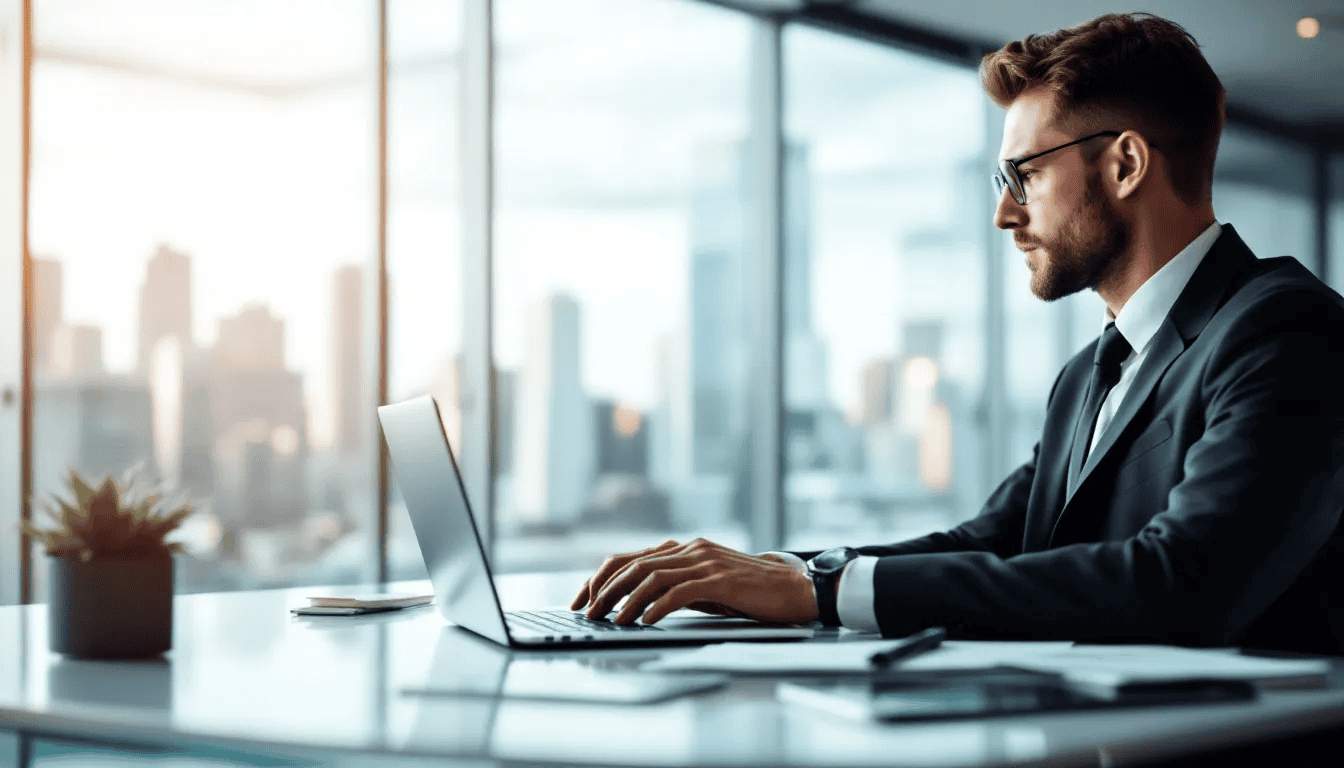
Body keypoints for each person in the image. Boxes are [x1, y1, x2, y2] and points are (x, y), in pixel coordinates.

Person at [571, 12, 1344, 654]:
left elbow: (1183, 580)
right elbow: (998, 541)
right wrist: (765, 573)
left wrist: (820, 592)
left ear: (1126, 164)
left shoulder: (1284, 330)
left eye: (1024, 176)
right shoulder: (1089, 373)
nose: (1004, 214)